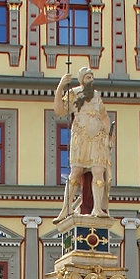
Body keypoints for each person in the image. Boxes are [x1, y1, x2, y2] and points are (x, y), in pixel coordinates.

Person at [53, 68, 113, 221]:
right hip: (81, 137)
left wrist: (109, 135)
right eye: (87, 77)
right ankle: (66, 208)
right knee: (76, 172)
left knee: (99, 172)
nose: (90, 79)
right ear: (81, 80)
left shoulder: (97, 96)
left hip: (97, 139)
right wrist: (60, 86)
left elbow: (105, 116)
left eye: (92, 77)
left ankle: (98, 208)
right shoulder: (74, 93)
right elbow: (59, 110)